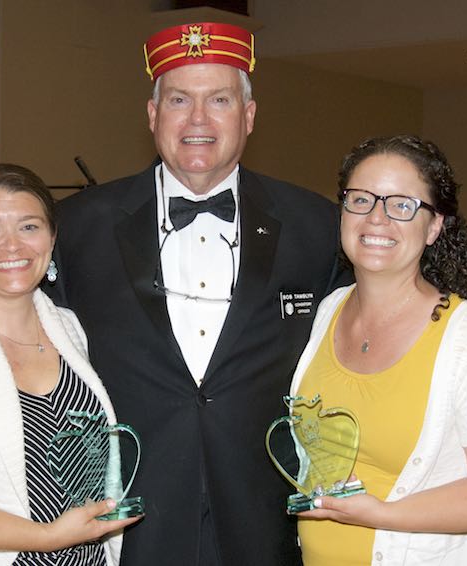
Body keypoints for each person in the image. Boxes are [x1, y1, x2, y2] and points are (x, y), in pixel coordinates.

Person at [47, 22, 349, 566]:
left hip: (265, 524)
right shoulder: (74, 227)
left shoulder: (317, 227)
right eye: (180, 99)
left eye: (220, 100)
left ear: (249, 117)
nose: (198, 120)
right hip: (126, 524)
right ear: (152, 114)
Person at [289, 135, 467, 565]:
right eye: (361, 199)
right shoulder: (329, 310)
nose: (376, 218)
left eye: (402, 205)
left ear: (435, 225)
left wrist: (384, 514)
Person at [0, 164, 140, 565]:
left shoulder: (69, 329)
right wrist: (44, 538)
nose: (12, 246)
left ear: (52, 236)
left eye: (28, 227)